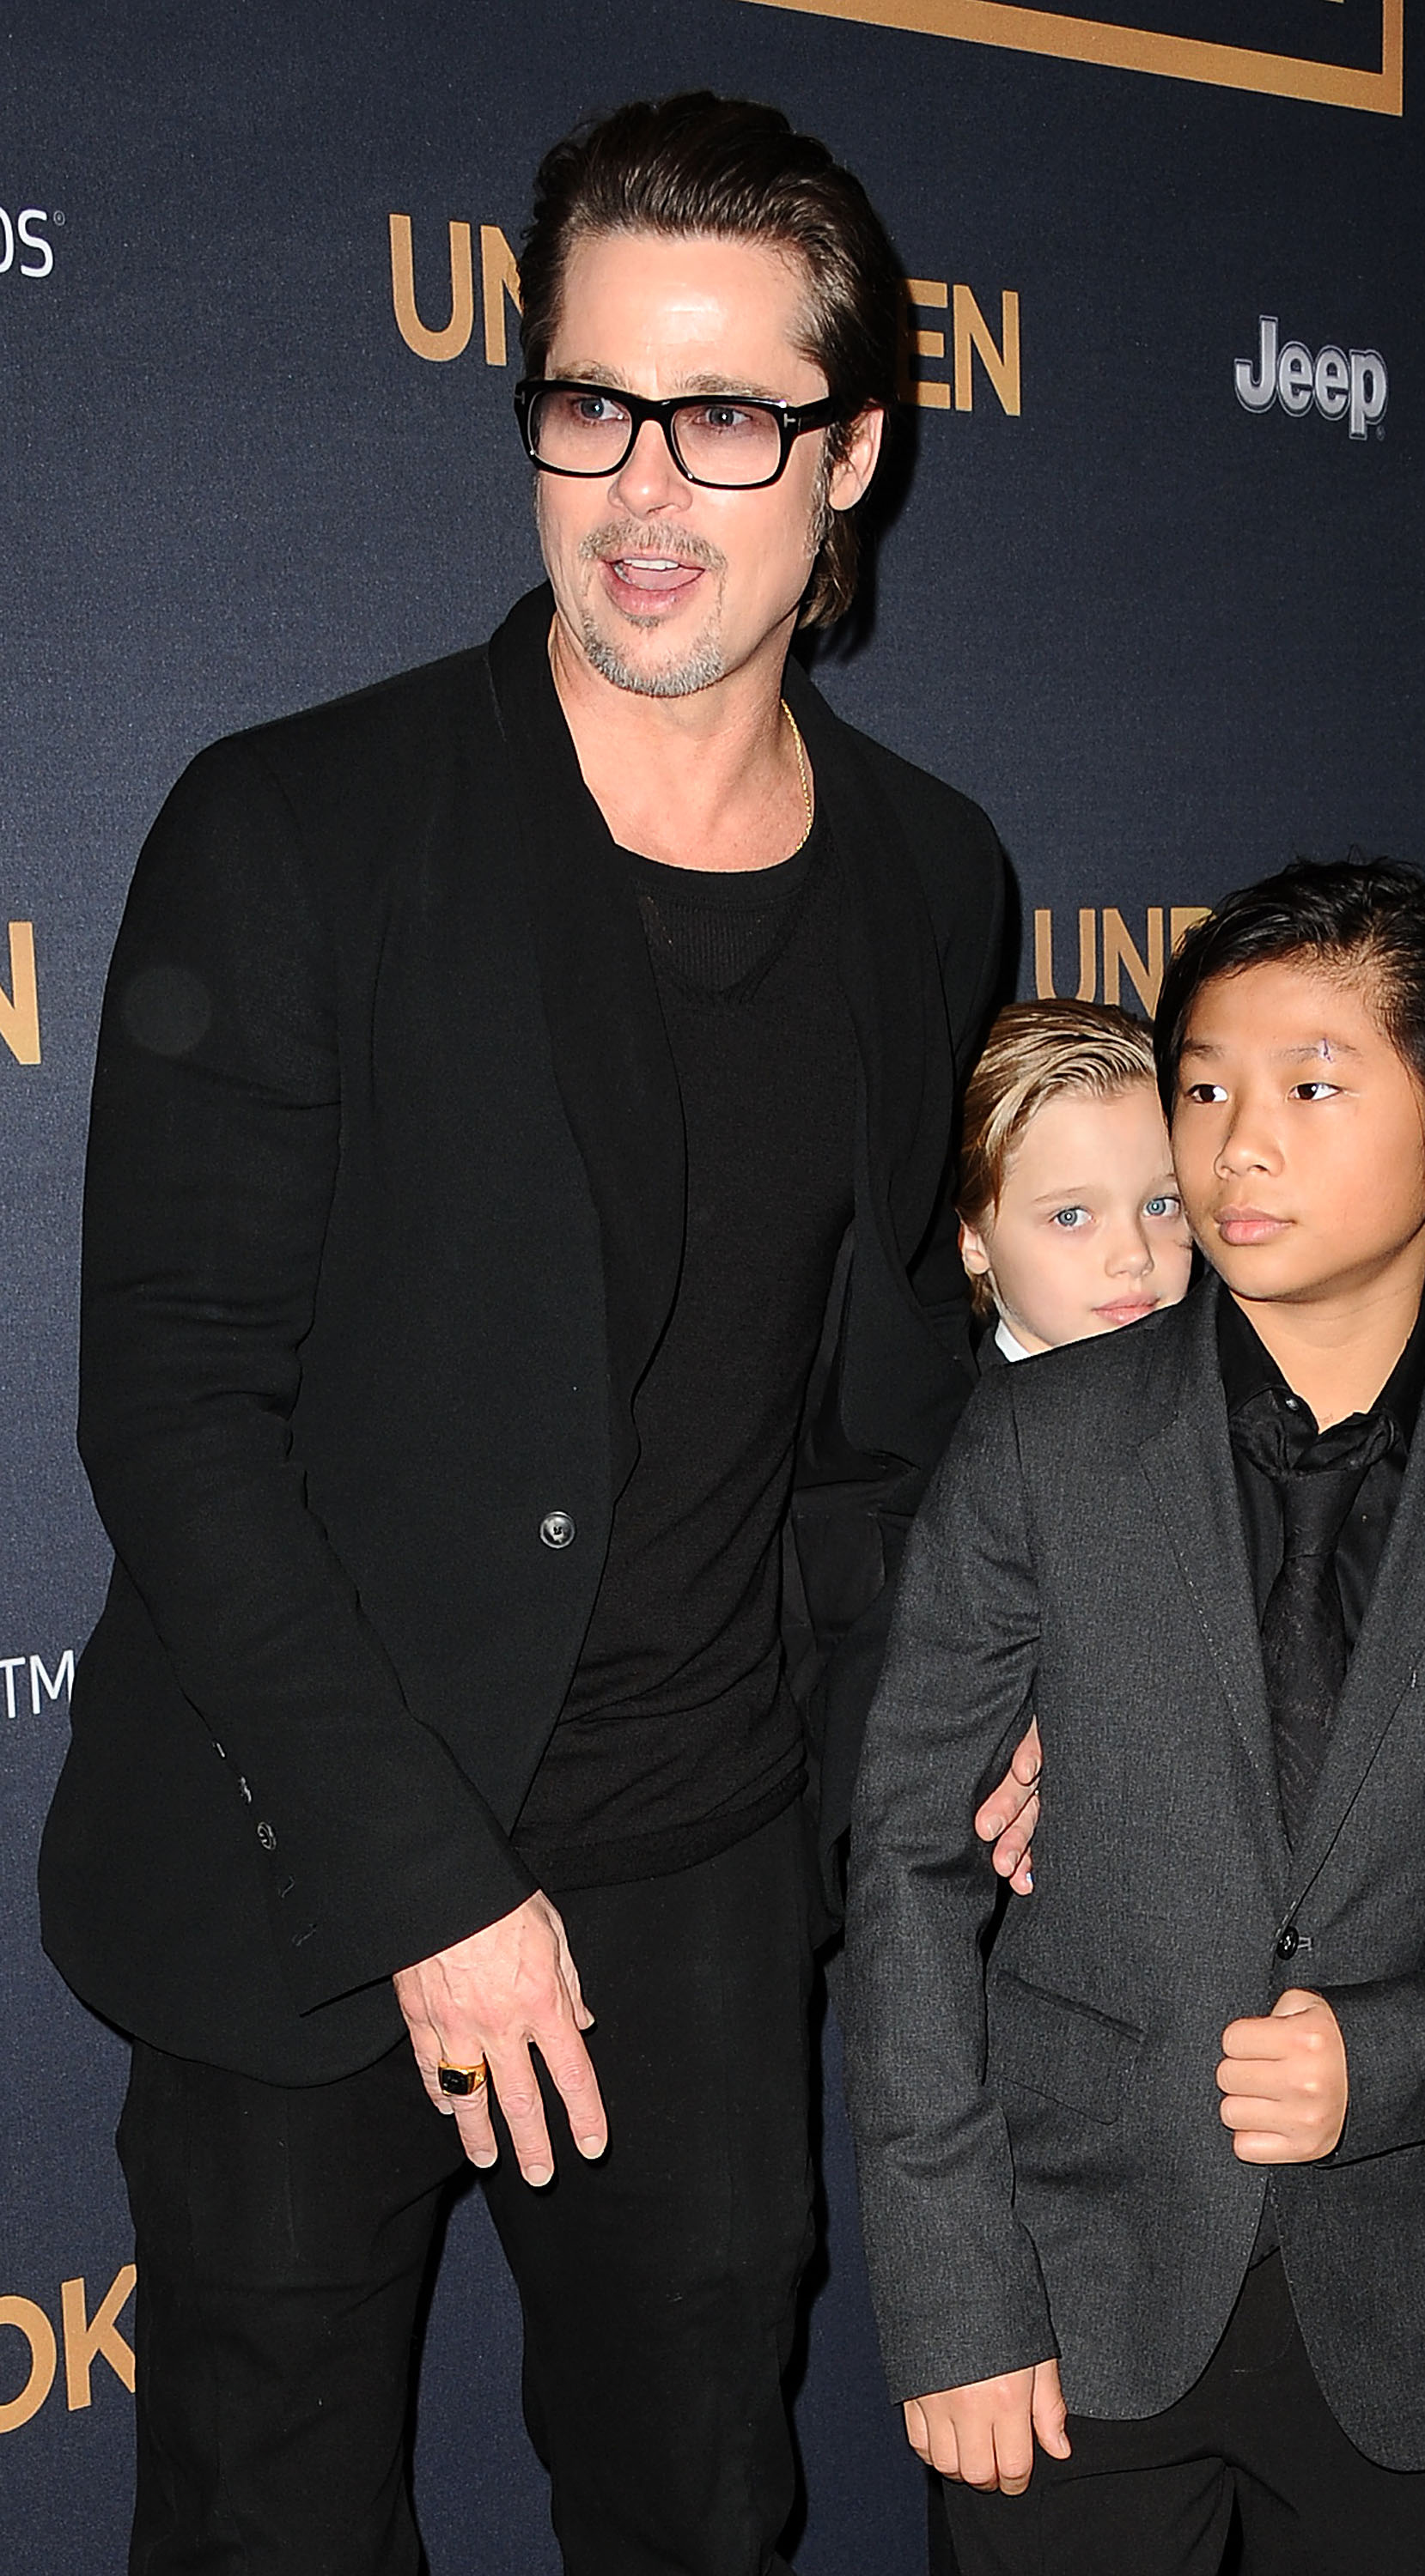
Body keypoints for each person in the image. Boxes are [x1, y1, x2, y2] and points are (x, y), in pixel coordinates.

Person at [41, 91, 1008, 2576]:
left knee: (695, 2506)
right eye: (586, 404)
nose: (645, 487)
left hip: (700, 1865)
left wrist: (964, 1710)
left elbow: (884, 1419)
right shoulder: (303, 825)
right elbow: (174, 1403)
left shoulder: (930, 874)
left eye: (728, 417)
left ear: (855, 458)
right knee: (269, 2518)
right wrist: (423, 1886)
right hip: (309, 1856)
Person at [843, 860, 1425, 2576]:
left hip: (1418, 2309)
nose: (1233, 1144)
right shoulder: (1039, 1448)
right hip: (1068, 2300)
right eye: (1204, 1089)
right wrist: (952, 2297)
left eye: (1310, 1087)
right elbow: (905, 1874)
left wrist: (1385, 2056)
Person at [956, 999, 1193, 1366]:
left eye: (1161, 1205)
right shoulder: (951, 1423)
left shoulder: (1242, 1407)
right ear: (972, 1236)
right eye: (1071, 1216)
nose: (1134, 1256)